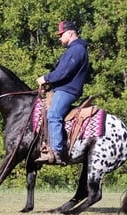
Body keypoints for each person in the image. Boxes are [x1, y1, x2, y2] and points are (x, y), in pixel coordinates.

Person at [35, 20, 89, 164]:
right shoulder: (73, 50)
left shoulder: (76, 50)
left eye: (61, 34)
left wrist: (46, 78)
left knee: (53, 114)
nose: (59, 38)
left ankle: (57, 151)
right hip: (62, 88)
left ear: (70, 33)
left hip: (68, 90)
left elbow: (64, 72)